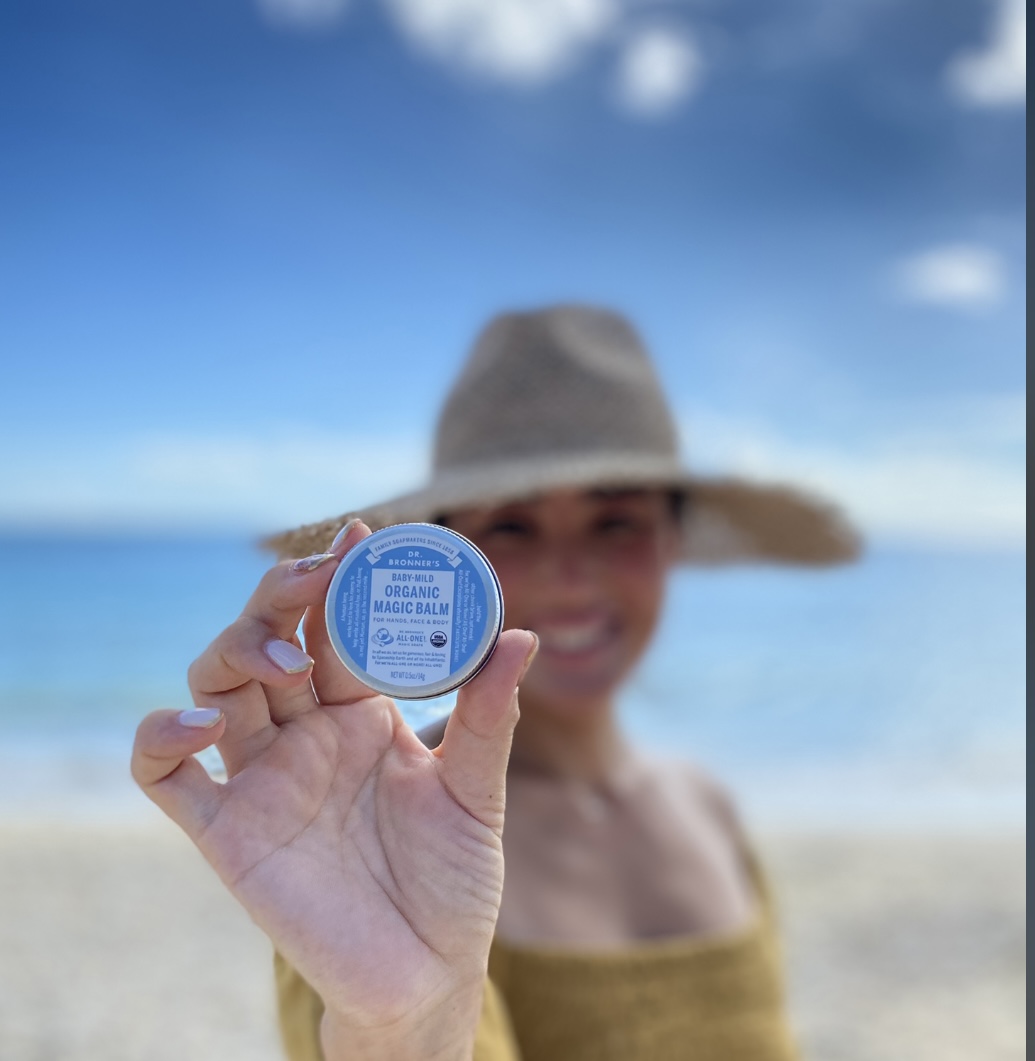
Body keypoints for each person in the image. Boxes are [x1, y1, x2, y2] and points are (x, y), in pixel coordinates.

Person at [132, 305, 859, 1061]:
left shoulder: (706, 804)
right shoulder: (373, 836)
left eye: (616, 522)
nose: (569, 575)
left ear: (671, 540)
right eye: (512, 525)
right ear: (448, 551)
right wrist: (404, 1023)